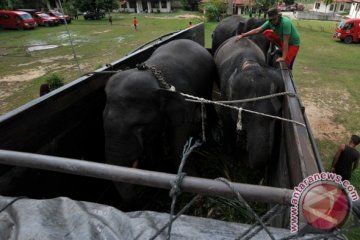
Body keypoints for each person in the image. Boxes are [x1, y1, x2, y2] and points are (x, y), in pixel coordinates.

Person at [235, 7, 300, 70]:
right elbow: (257, 30)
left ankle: (288, 70)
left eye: (274, 19)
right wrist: (243, 35)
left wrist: (283, 57)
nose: (273, 21)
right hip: (282, 40)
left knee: (286, 63)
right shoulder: (270, 23)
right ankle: (280, 48)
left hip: (292, 43)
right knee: (267, 33)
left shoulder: (285, 23)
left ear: (278, 17)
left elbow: (286, 41)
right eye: (271, 19)